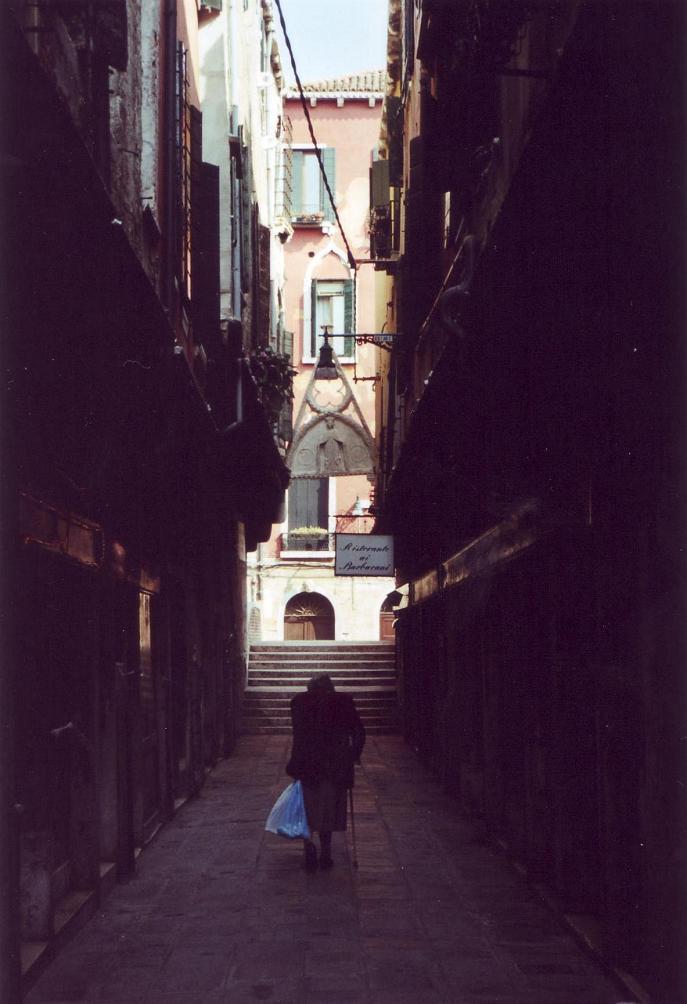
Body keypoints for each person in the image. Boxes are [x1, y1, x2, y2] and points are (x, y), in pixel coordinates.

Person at [286, 673, 365, 871]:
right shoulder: (344, 702)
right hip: (335, 767)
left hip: (308, 767)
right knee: (329, 811)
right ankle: (326, 853)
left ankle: (309, 847)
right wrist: (352, 755)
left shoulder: (299, 703)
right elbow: (359, 732)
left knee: (309, 810)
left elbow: (299, 736)